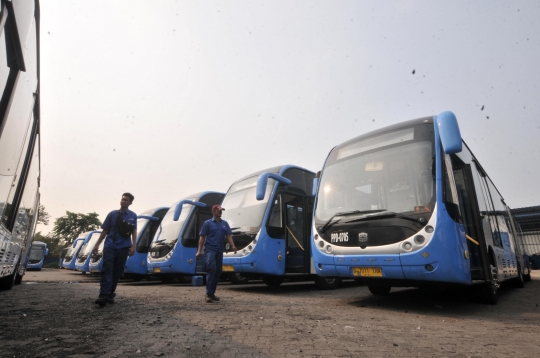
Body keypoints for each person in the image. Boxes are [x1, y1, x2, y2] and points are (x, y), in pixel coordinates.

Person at [93, 193, 137, 306]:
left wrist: (133, 246)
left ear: (130, 202)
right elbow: (105, 231)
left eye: (126, 200)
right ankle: (103, 295)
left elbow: (133, 231)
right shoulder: (112, 214)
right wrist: (97, 244)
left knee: (117, 271)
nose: (123, 201)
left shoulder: (133, 216)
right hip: (110, 246)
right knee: (107, 269)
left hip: (124, 247)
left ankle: (110, 294)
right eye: (122, 199)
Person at [196, 205, 237, 303]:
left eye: (221, 210)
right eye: (218, 211)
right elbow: (202, 238)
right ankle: (208, 293)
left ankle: (211, 293)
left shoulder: (224, 223)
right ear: (213, 212)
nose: (220, 212)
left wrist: (233, 246)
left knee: (218, 271)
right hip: (210, 249)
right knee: (211, 268)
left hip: (219, 250)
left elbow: (229, 235)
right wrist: (199, 251)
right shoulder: (207, 223)